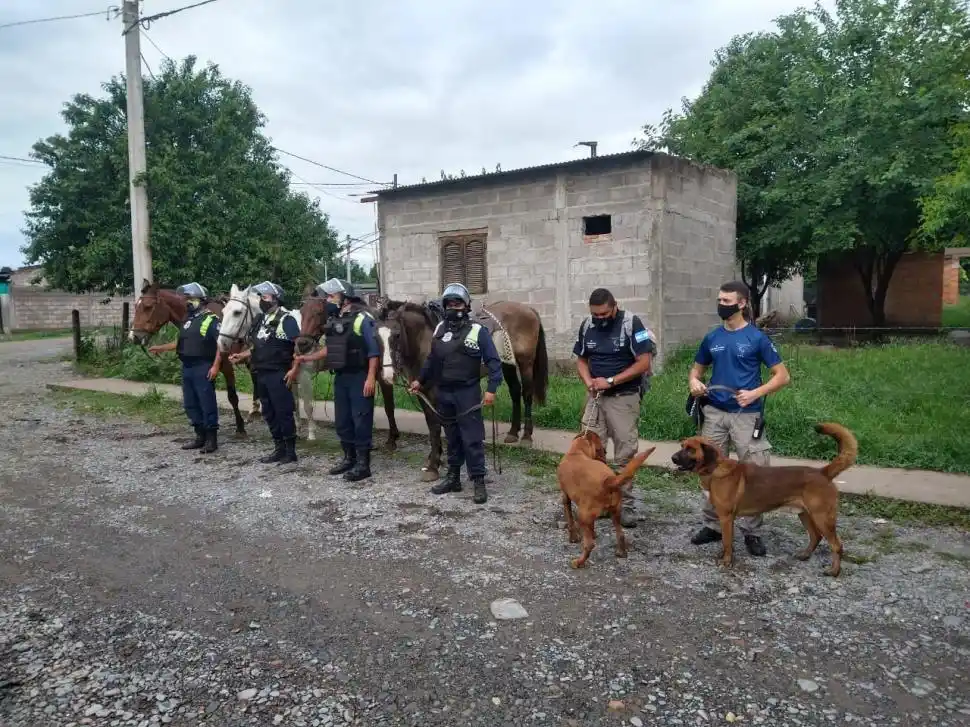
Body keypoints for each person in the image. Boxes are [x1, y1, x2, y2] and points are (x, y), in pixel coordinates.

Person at [687, 280, 791, 556]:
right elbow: (695, 371)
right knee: (706, 469)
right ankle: (713, 525)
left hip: (747, 415)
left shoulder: (756, 338)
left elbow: (782, 376)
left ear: (742, 303)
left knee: (754, 472)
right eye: (719, 300)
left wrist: (755, 393)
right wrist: (694, 383)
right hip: (715, 414)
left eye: (726, 301)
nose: (721, 305)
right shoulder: (712, 338)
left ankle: (752, 531)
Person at [408, 282, 503, 505]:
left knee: (472, 438)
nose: (453, 306)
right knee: (451, 437)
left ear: (466, 305)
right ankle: (453, 478)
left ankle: (478, 480)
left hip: (467, 393)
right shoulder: (440, 329)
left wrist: (491, 390)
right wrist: (419, 381)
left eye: (457, 302)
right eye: (449, 303)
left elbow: (493, 362)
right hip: (444, 392)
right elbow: (432, 360)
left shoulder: (478, 330)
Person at [573, 288, 656, 527]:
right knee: (590, 451)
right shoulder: (587, 325)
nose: (599, 319)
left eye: (604, 314)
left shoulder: (632, 324)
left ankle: (625, 505)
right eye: (595, 315)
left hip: (623, 396)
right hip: (595, 397)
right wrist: (589, 382)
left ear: (615, 307)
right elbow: (581, 359)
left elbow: (644, 363)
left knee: (625, 453)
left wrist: (610, 381)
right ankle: (597, 499)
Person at [291, 278, 380, 482]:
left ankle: (363, 464)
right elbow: (331, 349)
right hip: (341, 377)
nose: (328, 300)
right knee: (343, 421)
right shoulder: (336, 319)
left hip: (359, 376)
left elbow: (373, 351)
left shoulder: (362, 319)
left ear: (345, 298)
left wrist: (371, 377)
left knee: (361, 420)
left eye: (332, 296)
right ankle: (348, 458)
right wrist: (307, 357)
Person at [229, 281, 301, 465]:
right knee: (268, 412)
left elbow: (299, 347)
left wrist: (294, 370)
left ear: (276, 299)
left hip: (279, 373)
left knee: (283, 412)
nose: (262, 300)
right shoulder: (261, 320)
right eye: (261, 296)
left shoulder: (287, 319)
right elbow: (258, 346)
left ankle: (290, 452)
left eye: (265, 297)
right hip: (261, 373)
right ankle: (278, 448)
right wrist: (242, 355)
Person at [149, 282, 221, 453]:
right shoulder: (187, 320)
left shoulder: (211, 320)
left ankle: (211, 440)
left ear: (199, 301)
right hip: (187, 367)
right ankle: (199, 436)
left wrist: (216, 366)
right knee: (190, 403)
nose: (185, 302)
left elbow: (221, 345)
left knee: (206, 402)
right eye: (185, 299)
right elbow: (181, 342)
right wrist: (160, 348)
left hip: (203, 366)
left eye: (189, 299)